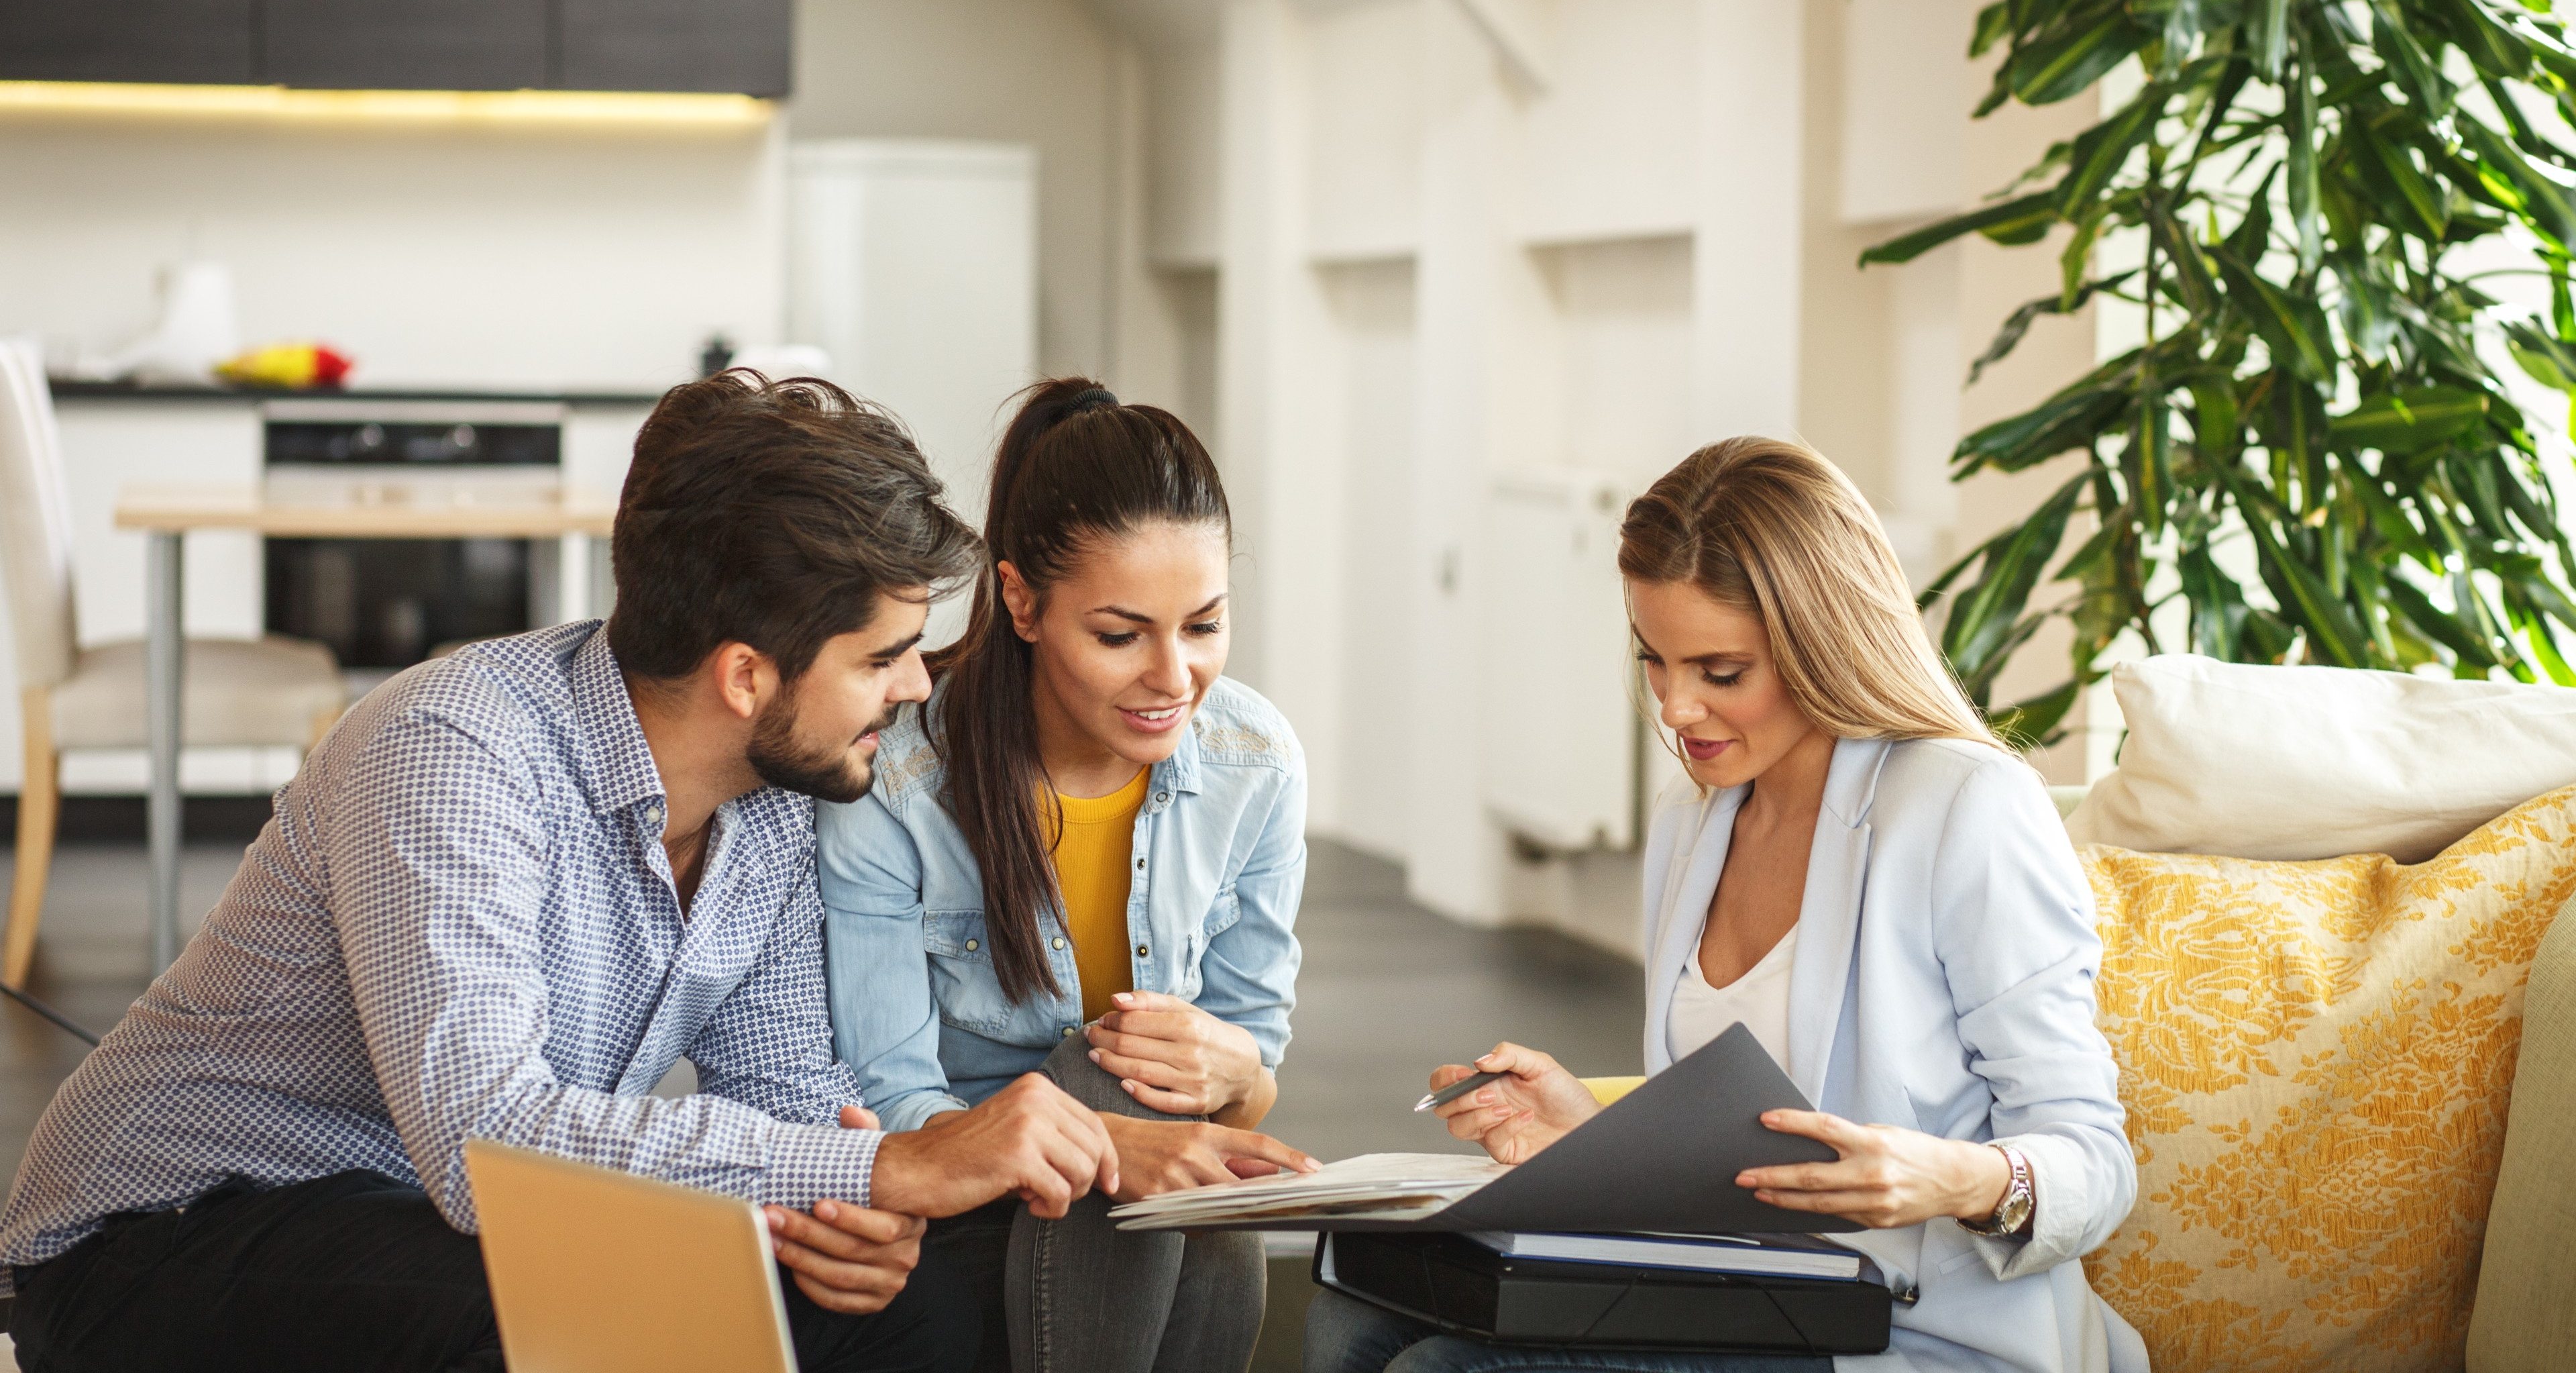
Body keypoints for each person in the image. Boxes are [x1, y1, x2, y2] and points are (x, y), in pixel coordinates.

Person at [0, 373, 1128, 1373]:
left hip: (433, 1220)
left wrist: (843, 1200)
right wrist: (889, 1170)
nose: (918, 688)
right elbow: (483, 1139)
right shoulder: (455, 748)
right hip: (163, 1234)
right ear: (745, 675)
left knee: (911, 1313)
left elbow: (780, 1092)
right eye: (883, 658)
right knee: (576, 1317)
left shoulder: (780, 799)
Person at [1308, 438, 2141, 1373]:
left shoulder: (1964, 808)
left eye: (1720, 672)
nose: (1674, 708)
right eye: (1655, 660)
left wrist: (1949, 1177)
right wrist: (1588, 1129)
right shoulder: (1695, 819)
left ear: (1824, 643)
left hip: (1913, 1336)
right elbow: (1740, 1151)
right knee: (1350, 1319)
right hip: (1748, 1301)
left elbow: (2096, 1166)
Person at [818, 378, 1312, 1373]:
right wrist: (1108, 1137)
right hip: (962, 1204)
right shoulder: (900, 781)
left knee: (1163, 1093)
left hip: (1145, 1211)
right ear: (1021, 600)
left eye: (1205, 626)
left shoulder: (1255, 761)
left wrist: (1237, 1072)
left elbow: (1251, 1078)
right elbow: (898, 1102)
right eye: (1121, 636)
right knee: (1116, 1078)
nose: (1174, 677)